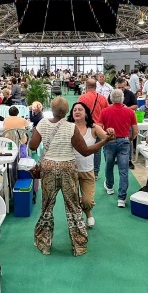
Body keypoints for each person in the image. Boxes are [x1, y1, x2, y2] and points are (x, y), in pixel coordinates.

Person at [28, 97, 112, 256]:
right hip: (68, 168)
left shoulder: (43, 123)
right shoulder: (71, 127)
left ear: (51, 109)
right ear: (67, 111)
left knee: (47, 206)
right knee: (73, 207)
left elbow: (33, 146)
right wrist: (104, 141)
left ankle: (44, 243)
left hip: (48, 167)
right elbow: (85, 151)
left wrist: (36, 135)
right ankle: (78, 246)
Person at [69, 102, 109, 227]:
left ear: (86, 113)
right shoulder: (68, 127)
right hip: (71, 170)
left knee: (87, 200)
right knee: (73, 198)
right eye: (74, 110)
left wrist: (110, 132)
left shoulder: (94, 128)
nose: (77, 111)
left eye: (80, 109)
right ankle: (79, 218)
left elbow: (107, 137)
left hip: (87, 170)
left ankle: (88, 212)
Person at [99, 89, 138, 208]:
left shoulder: (104, 111)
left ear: (110, 99)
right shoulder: (130, 112)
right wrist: (130, 139)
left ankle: (109, 186)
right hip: (124, 142)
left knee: (109, 165)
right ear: (123, 99)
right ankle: (122, 198)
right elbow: (135, 130)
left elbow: (99, 128)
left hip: (109, 141)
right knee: (123, 170)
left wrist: (105, 138)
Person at [77, 78, 110, 179]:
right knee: (97, 150)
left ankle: (82, 170)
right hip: (98, 128)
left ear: (86, 87)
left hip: (85, 127)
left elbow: (78, 114)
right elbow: (107, 114)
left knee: (82, 148)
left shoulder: (82, 98)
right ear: (96, 87)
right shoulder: (103, 98)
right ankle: (95, 173)